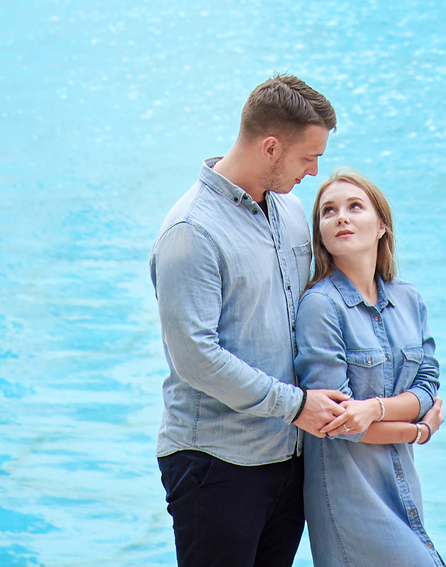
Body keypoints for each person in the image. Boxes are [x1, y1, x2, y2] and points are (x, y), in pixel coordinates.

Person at [152, 75, 356, 567]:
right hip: (216, 465)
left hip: (286, 458)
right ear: (270, 147)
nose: (313, 172)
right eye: (309, 158)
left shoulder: (287, 210)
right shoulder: (191, 232)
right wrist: (295, 406)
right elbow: (197, 359)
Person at [295, 170, 446, 567]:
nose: (341, 217)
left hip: (402, 486)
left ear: (381, 225)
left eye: (354, 207)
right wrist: (420, 429)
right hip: (352, 500)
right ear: (321, 234)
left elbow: (429, 384)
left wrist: (375, 409)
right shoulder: (320, 306)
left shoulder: (408, 299)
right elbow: (339, 423)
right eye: (328, 211)